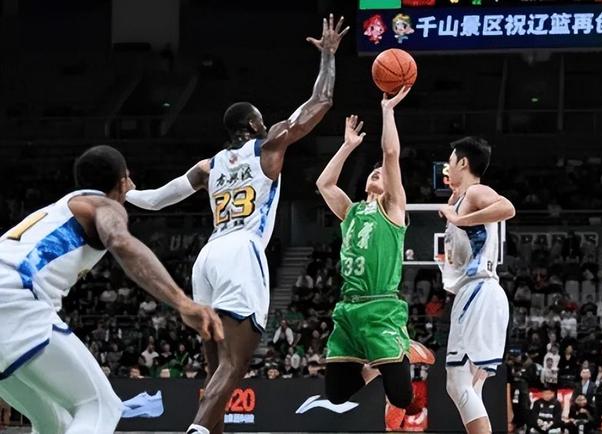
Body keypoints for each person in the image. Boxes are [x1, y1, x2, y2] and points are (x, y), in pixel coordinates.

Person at [126, 14, 349, 434]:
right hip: (240, 252)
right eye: (260, 120)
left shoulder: (207, 167)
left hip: (207, 258)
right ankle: (196, 431)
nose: (265, 124)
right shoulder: (269, 145)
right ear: (252, 126)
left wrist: (125, 194)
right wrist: (328, 56)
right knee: (236, 363)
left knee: (216, 371)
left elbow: (156, 200)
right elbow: (320, 102)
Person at [0, 145, 222, 434]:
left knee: (53, 422)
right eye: (129, 179)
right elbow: (120, 241)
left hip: (9, 298)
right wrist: (183, 302)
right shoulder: (102, 205)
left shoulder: (57, 210)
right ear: (121, 182)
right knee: (100, 406)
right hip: (15, 296)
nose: (132, 186)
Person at [315, 88, 434, 427]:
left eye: (382, 173)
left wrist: (387, 110)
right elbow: (325, 184)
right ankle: (376, 367)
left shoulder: (393, 209)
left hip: (381, 307)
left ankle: (404, 347)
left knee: (402, 398)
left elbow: (391, 153)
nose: (377, 172)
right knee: (336, 394)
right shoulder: (351, 211)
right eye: (374, 172)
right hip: (349, 309)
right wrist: (347, 146)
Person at [437, 137, 516, 434]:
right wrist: (454, 211)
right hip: (479, 292)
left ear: (463, 162)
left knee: (457, 384)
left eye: (450, 160)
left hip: (478, 291)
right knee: (468, 386)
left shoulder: (476, 191)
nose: (446, 167)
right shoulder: (460, 198)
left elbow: (507, 208)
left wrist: (459, 218)